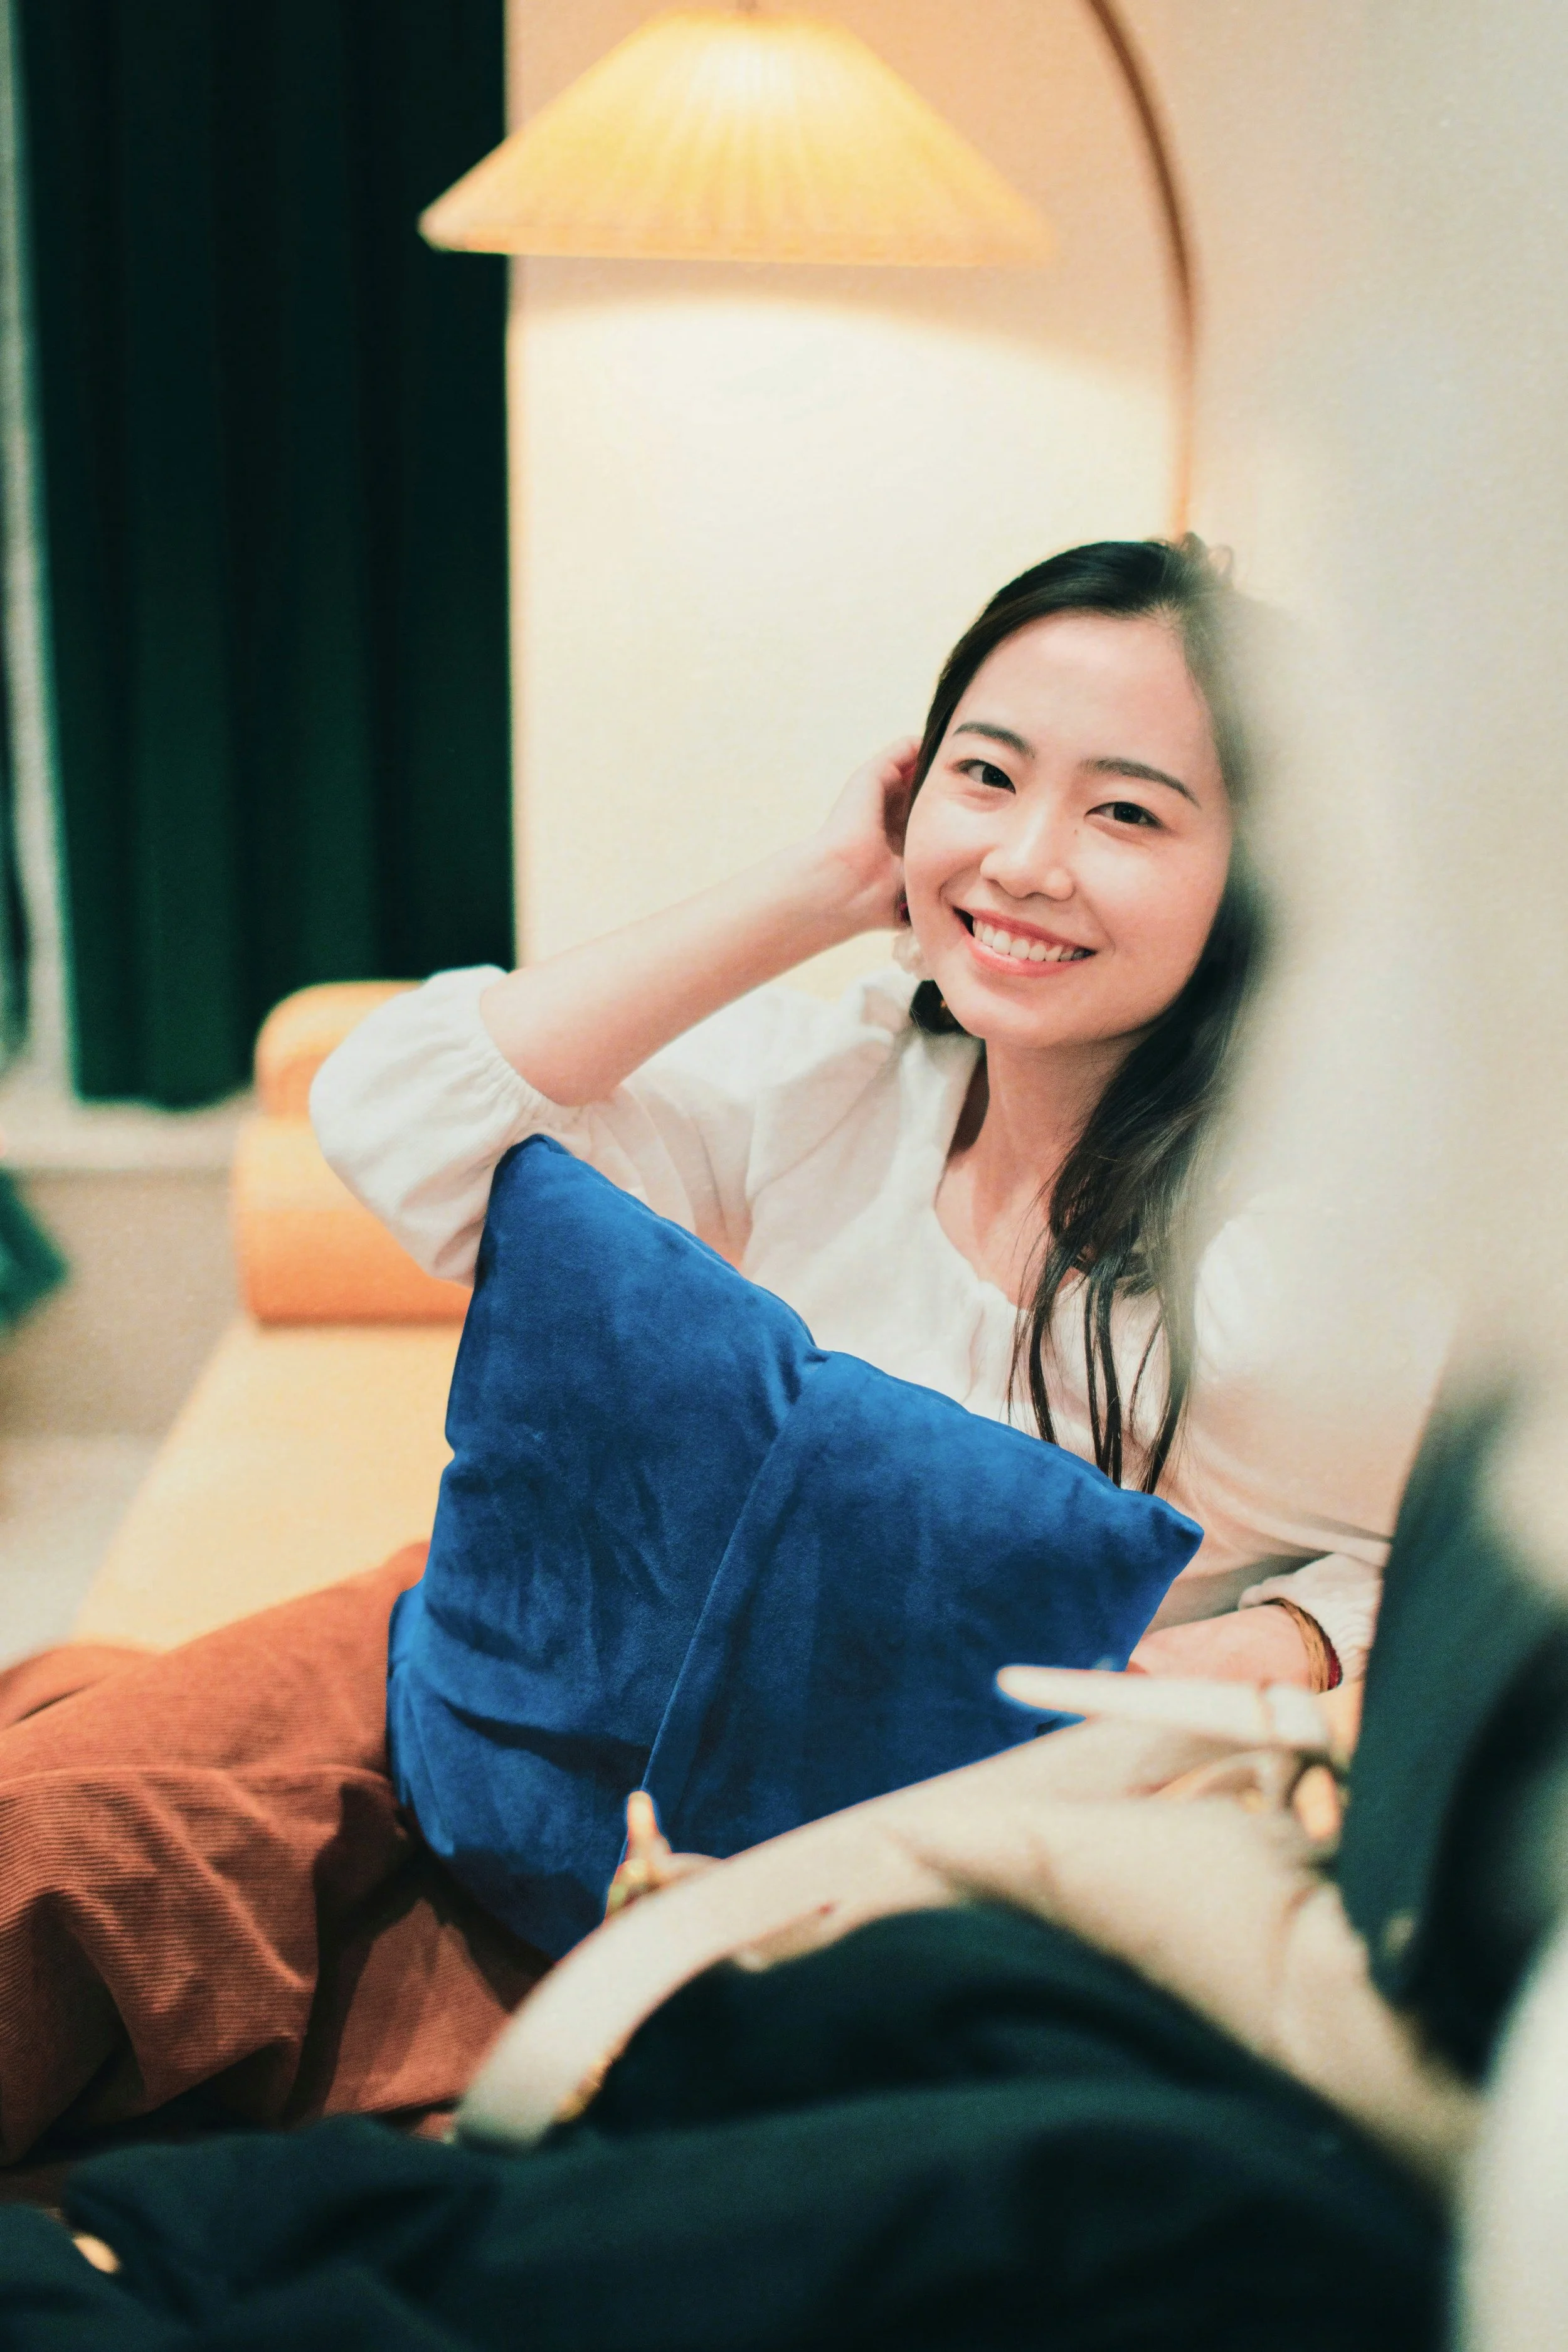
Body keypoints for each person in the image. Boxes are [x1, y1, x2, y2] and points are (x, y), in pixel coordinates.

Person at [312, 537, 1409, 1690]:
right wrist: (822, 888)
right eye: (986, 774)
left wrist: (1270, 1641)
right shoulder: (849, 1080)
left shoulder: (1276, 1274)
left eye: (1127, 812)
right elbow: (400, 1122)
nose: (1025, 861)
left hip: (799, 1796)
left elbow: (1493, 1560)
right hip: (571, 1637)